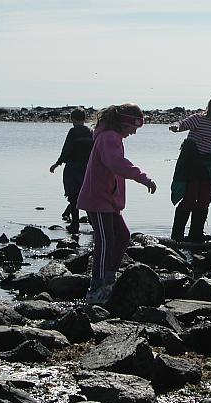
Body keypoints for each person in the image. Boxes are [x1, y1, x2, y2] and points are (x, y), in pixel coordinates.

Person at [77, 104, 156, 304]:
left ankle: (109, 278)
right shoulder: (109, 137)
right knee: (105, 241)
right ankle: (97, 287)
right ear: (125, 122)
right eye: (134, 127)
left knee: (122, 236)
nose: (134, 132)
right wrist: (142, 177)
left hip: (109, 200)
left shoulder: (113, 137)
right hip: (98, 199)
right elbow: (116, 163)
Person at [169, 93, 211, 242]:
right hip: (192, 164)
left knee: (204, 199)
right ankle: (177, 234)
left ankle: (196, 233)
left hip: (207, 166)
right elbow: (182, 124)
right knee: (189, 198)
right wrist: (175, 127)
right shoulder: (198, 119)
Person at [50, 107, 93, 234]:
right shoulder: (91, 131)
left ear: (72, 119)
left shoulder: (73, 132)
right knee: (86, 195)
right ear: (84, 119)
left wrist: (57, 164)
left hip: (73, 168)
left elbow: (66, 150)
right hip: (87, 169)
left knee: (73, 196)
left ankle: (75, 224)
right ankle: (93, 222)